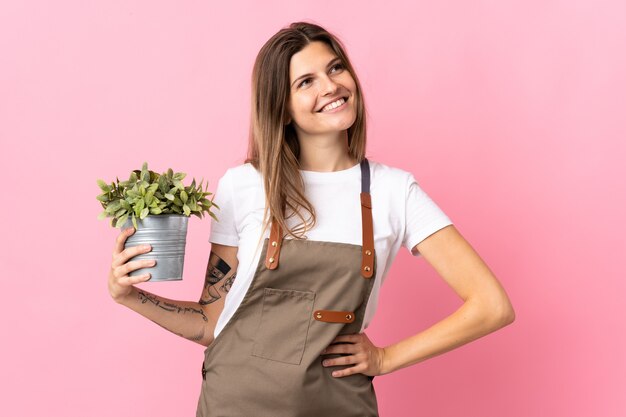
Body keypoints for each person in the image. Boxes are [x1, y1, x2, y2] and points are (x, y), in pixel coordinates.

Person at [108, 21, 515, 417]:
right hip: (233, 406)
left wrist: (387, 358)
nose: (331, 86)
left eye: (335, 68)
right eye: (306, 82)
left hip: (338, 406)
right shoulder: (245, 185)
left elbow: (492, 305)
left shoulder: (395, 192)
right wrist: (130, 296)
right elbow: (210, 323)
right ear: (282, 109)